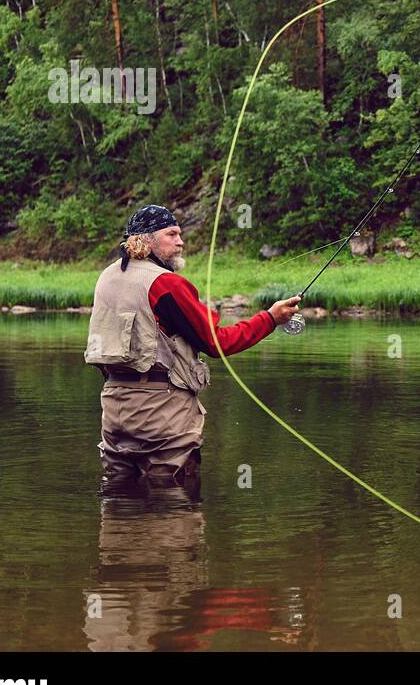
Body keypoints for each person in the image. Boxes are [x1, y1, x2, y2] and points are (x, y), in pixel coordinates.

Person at [85, 204, 302, 490]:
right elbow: (217, 342)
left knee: (120, 497)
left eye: (180, 234)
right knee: (173, 498)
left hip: (114, 409)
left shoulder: (107, 278)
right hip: (161, 414)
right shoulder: (165, 284)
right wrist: (270, 319)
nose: (181, 242)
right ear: (146, 239)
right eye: (172, 234)